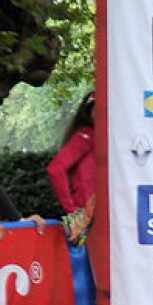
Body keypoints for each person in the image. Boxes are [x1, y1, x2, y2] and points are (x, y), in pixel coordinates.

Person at [47, 91, 97, 245]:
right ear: (89, 111)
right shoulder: (86, 135)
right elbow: (56, 169)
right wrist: (72, 211)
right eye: (98, 108)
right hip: (87, 219)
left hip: (97, 216)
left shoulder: (99, 137)